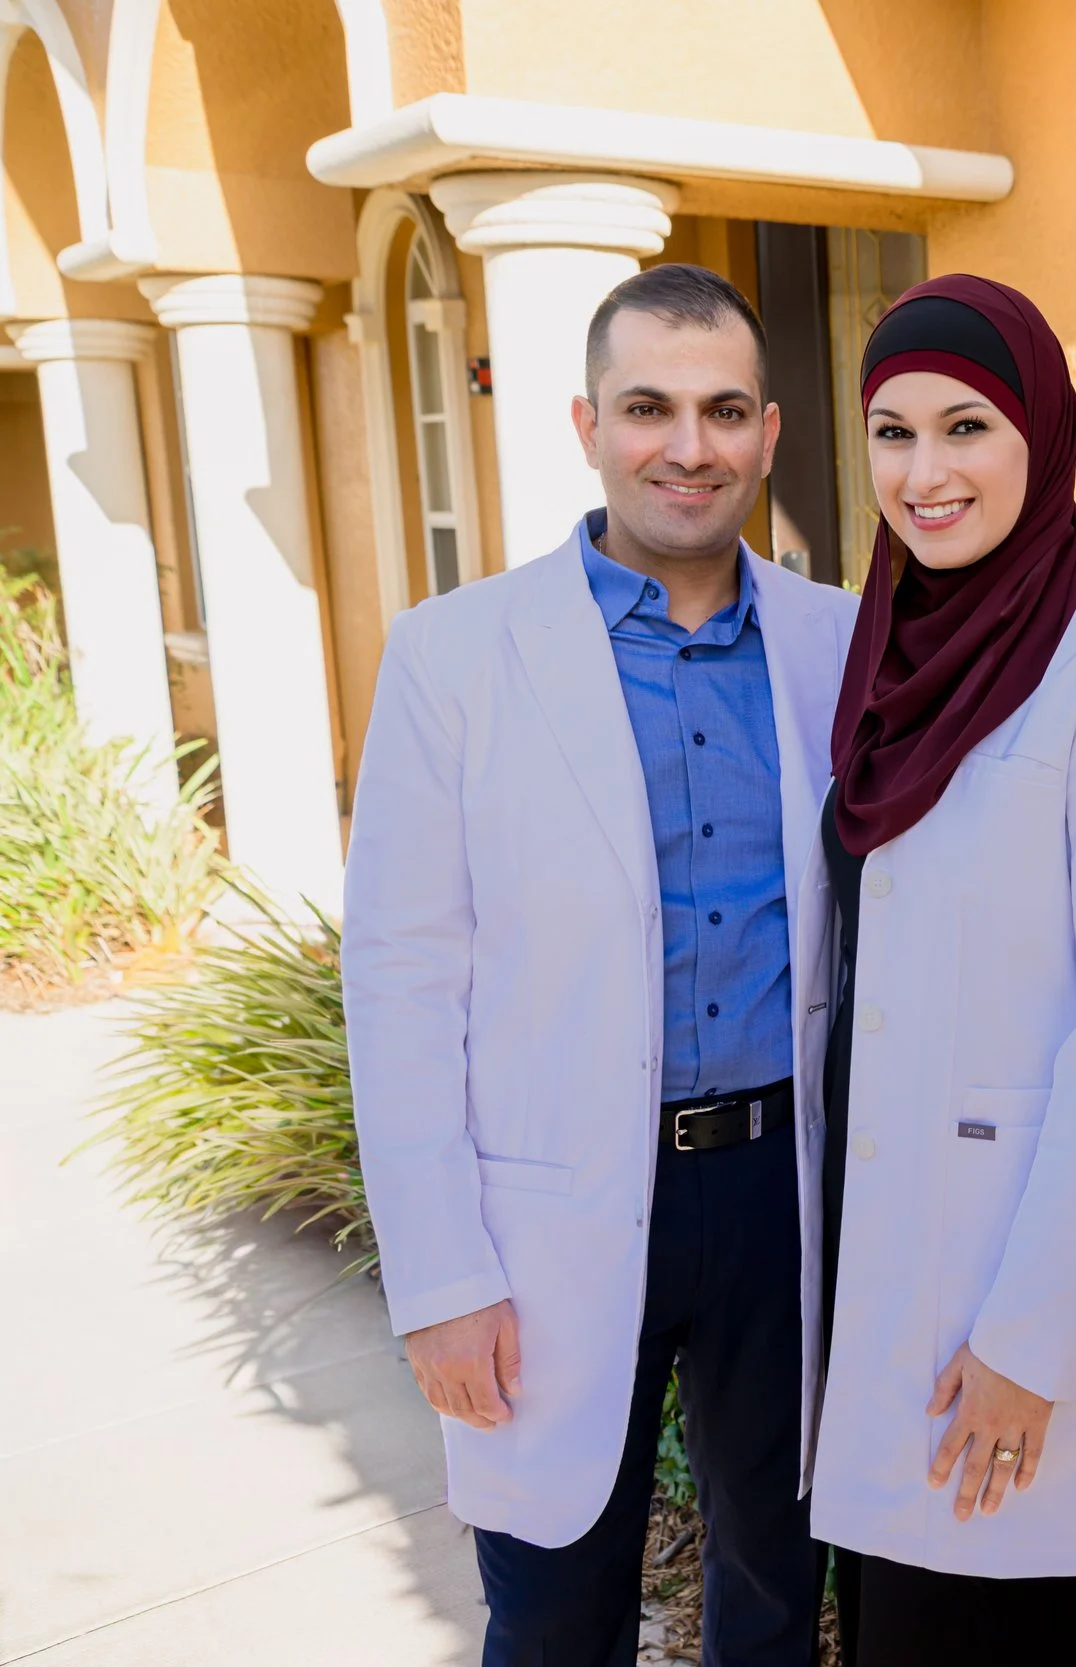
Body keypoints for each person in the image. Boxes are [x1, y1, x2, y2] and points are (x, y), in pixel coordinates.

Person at [341, 263, 857, 1666]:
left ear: (767, 432)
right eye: (649, 407)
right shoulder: (454, 657)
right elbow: (398, 982)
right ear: (586, 423)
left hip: (779, 1191)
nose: (688, 445)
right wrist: (439, 1273)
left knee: (776, 1584)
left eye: (723, 410)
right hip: (551, 1204)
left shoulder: (842, 640)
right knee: (556, 1609)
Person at [806, 275, 1076, 1662]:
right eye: (892, 431)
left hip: (1000, 1326)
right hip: (882, 1298)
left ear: (1042, 435)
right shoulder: (881, 664)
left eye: (966, 426)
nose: (923, 474)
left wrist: (1027, 1343)